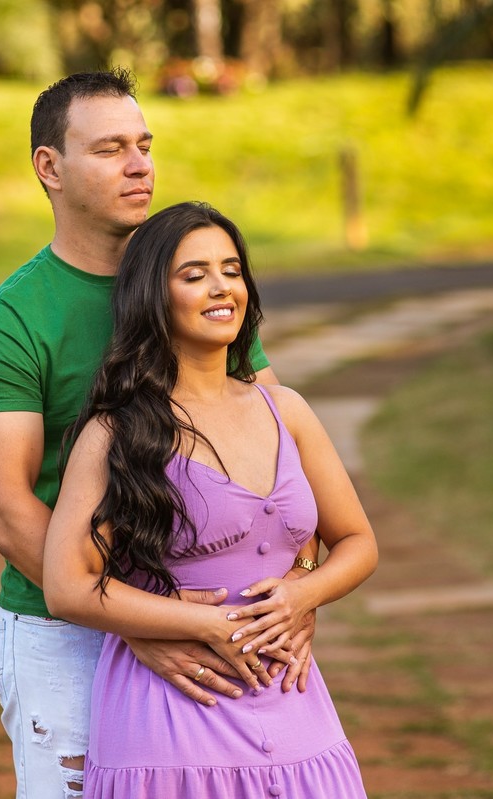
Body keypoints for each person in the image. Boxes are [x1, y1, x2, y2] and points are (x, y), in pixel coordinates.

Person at [0, 70, 318, 798]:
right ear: (49, 167)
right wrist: (139, 620)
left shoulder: (194, 291)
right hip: (66, 634)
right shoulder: (13, 320)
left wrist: (298, 588)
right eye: (110, 149)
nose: (139, 166)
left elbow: (278, 454)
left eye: (145, 146)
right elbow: (1, 507)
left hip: (216, 624)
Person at [43, 201, 378, 797]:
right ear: (153, 297)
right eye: (194, 275)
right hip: (172, 716)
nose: (222, 287)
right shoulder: (116, 433)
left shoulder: (286, 411)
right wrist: (205, 623)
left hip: (295, 707)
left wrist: (304, 593)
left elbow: (357, 541)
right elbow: (68, 586)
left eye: (231, 270)